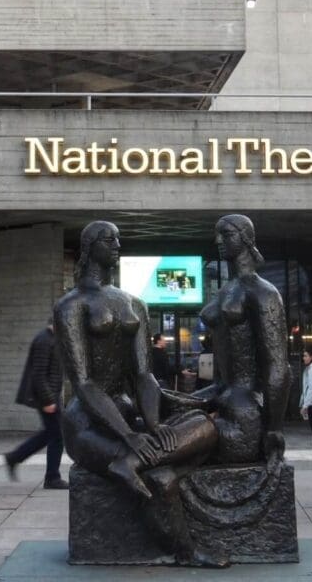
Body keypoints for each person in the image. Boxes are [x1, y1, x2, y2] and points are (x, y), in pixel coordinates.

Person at [54, 221, 224, 567]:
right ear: (90, 248)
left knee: (205, 425)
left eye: (118, 238)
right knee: (159, 480)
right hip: (87, 424)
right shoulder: (70, 306)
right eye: (108, 239)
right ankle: (186, 551)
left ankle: (131, 464)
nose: (116, 244)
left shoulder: (134, 303)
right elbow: (84, 383)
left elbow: (145, 374)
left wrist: (154, 423)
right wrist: (129, 435)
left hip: (128, 416)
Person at [197, 214, 292, 465]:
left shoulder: (263, 292)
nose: (218, 240)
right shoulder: (227, 289)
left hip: (244, 418)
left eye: (226, 234)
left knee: (163, 446)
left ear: (246, 238)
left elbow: (278, 367)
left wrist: (274, 429)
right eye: (217, 234)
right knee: (156, 430)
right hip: (221, 398)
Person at [5, 319, 68, 489]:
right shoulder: (44, 340)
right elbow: (38, 374)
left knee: (50, 434)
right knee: (57, 436)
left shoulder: (51, 339)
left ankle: (14, 457)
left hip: (50, 397)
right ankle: (52, 478)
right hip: (46, 398)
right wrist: (48, 400)